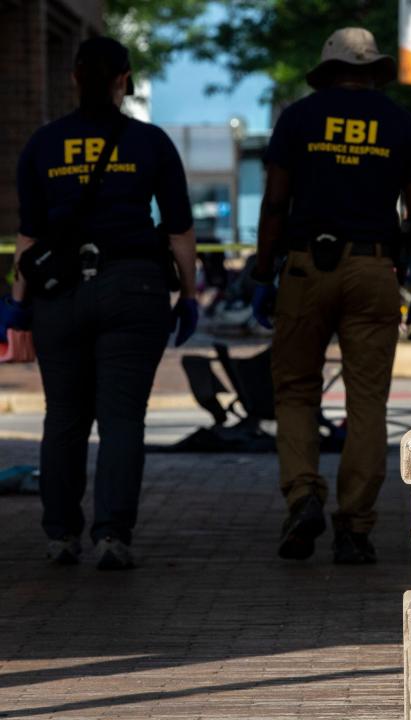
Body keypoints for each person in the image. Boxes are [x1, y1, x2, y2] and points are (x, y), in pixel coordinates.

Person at [6, 36, 198, 569]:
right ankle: (112, 535)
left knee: (64, 415)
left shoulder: (44, 145)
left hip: (58, 295)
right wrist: (187, 293)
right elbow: (179, 229)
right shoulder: (151, 143)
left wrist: (18, 303)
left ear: (74, 78)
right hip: (134, 287)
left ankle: (61, 535)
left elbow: (29, 239)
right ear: (124, 79)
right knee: (121, 420)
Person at [251, 27, 411, 564]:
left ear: (328, 70)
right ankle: (354, 528)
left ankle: (304, 494)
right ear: (375, 70)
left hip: (307, 268)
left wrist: (264, 274)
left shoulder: (297, 119)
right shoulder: (404, 126)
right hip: (374, 268)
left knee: (295, 391)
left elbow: (274, 205)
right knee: (367, 401)